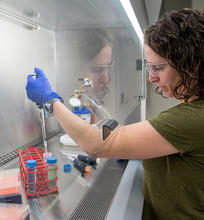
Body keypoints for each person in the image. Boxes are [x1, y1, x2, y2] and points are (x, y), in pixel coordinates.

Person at [26, 8, 204, 220]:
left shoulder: (192, 118)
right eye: (149, 67)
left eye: (158, 67)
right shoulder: (190, 111)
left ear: (192, 66)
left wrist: (50, 101)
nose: (151, 78)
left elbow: (95, 144)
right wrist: (129, 147)